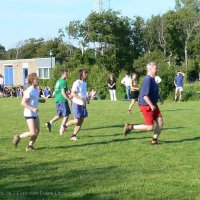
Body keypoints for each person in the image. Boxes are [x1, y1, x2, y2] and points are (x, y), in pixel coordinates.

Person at [123, 62, 163, 145]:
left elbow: (153, 91)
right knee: (150, 126)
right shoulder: (147, 79)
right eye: (156, 68)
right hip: (146, 105)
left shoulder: (152, 79)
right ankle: (130, 127)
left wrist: (160, 97)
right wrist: (151, 105)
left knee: (160, 122)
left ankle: (154, 141)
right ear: (150, 69)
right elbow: (144, 95)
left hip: (153, 104)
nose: (157, 70)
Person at [13, 73, 40, 151]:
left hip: (35, 113)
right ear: (32, 80)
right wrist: (32, 109)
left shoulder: (36, 89)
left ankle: (29, 146)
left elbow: (33, 99)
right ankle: (18, 137)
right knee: (32, 132)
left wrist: (40, 100)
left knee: (37, 131)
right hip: (29, 113)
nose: (38, 80)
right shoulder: (29, 90)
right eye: (36, 79)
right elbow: (23, 102)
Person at [63, 69, 89, 141]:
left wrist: (87, 99)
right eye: (85, 73)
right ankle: (64, 126)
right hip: (77, 103)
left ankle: (73, 135)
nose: (86, 74)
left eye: (87, 73)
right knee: (76, 120)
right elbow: (73, 93)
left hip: (83, 104)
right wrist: (81, 99)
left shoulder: (85, 83)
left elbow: (84, 93)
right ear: (81, 75)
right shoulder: (77, 82)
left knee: (81, 120)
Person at [45, 70, 71, 135]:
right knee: (66, 114)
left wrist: (53, 95)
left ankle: (49, 123)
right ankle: (62, 128)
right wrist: (69, 99)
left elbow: (55, 91)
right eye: (66, 73)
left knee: (60, 115)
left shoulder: (58, 81)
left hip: (57, 100)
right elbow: (63, 92)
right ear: (63, 74)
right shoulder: (63, 82)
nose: (67, 75)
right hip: (62, 100)